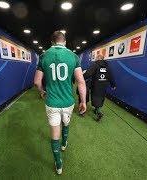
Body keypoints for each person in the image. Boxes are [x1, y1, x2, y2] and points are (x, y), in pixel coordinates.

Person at [34, 31, 87, 175]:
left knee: (54, 132)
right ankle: (64, 144)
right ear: (65, 42)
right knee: (66, 122)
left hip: (52, 102)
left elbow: (37, 81)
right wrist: (83, 101)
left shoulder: (44, 56)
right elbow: (81, 82)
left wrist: (42, 91)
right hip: (68, 101)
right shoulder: (73, 56)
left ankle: (58, 164)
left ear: (52, 42)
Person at [84, 54, 116, 121]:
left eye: (96, 58)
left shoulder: (95, 65)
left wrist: (82, 77)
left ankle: (99, 112)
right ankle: (97, 109)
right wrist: (113, 85)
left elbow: (88, 73)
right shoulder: (107, 66)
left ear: (98, 58)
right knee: (101, 97)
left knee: (95, 97)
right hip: (103, 85)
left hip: (96, 85)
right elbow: (110, 76)